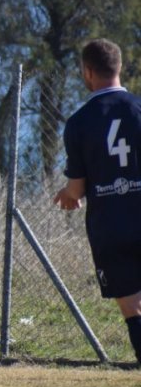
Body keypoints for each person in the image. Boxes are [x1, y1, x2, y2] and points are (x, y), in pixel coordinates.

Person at [53, 38, 141, 367]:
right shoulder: (138, 108)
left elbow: (76, 189)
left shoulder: (79, 122)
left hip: (110, 228)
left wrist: (67, 197)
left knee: (133, 309)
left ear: (88, 72)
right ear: (119, 68)